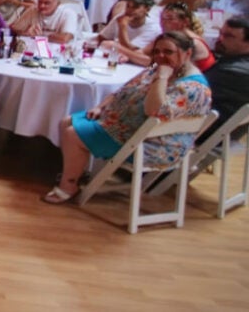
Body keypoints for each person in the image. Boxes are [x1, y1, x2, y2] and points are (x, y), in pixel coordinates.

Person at [43, 31, 212, 204]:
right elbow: (123, 90)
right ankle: (76, 174)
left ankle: (68, 185)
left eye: (168, 52)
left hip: (151, 143)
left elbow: (154, 111)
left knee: (73, 134)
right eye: (157, 51)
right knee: (66, 122)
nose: (161, 56)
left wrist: (161, 77)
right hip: (125, 125)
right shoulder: (159, 68)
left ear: (188, 54)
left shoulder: (192, 87)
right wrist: (100, 107)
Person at [200, 17, 249, 140]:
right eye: (220, 33)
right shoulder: (233, 62)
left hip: (206, 133)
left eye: (229, 36)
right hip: (229, 134)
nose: (220, 39)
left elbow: (193, 90)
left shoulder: (232, 72)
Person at [90, 0, 161, 56]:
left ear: (147, 9)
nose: (129, 10)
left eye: (135, 7)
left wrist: (122, 27)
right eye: (128, 6)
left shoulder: (153, 28)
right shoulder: (119, 18)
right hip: (114, 57)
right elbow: (102, 38)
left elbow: (131, 51)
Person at [11, 0, 79, 44]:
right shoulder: (33, 10)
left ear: (58, 3)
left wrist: (41, 36)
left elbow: (65, 39)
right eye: (40, 2)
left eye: (47, 3)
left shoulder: (68, 13)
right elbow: (14, 29)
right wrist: (26, 33)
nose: (41, 6)